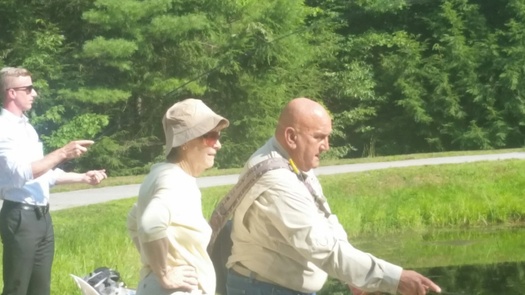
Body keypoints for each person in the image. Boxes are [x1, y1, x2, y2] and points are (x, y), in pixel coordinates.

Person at [225, 97, 441, 295]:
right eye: (319, 137)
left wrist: (354, 275)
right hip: (264, 289)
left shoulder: (291, 161)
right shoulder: (277, 180)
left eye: (328, 137)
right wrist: (395, 278)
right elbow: (324, 249)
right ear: (291, 136)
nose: (326, 146)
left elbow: (325, 217)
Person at [0, 66, 107, 295]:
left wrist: (83, 177)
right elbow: (21, 173)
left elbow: (43, 174)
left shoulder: (27, 128)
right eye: (28, 88)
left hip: (42, 218)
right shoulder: (3, 128)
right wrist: (62, 153)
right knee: (17, 287)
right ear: (11, 92)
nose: (34, 93)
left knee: (40, 289)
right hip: (20, 216)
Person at [128, 98, 229, 295]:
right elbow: (149, 223)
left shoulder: (161, 173)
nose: (218, 145)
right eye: (211, 136)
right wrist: (164, 272)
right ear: (186, 142)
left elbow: (133, 218)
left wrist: (153, 261)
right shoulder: (175, 181)